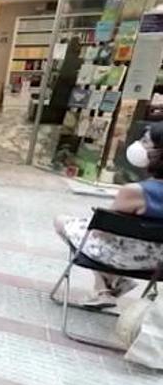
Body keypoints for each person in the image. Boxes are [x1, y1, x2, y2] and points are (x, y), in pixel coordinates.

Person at [54, 123, 163, 308]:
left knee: (62, 222)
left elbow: (102, 234)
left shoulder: (134, 191)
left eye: (145, 142)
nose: (138, 145)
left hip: (121, 259)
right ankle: (110, 287)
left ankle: (105, 288)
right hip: (157, 265)